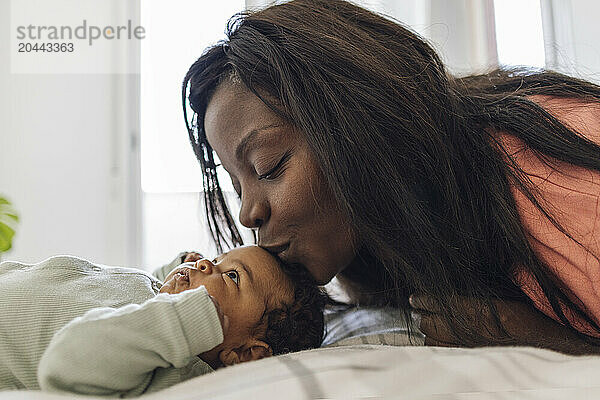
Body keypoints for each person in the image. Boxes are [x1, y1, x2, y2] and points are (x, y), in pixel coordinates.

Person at [181, 0, 600, 354]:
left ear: (357, 124)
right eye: (237, 186)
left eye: (268, 166)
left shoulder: (543, 165)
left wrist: (538, 337)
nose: (246, 213)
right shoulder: (378, 247)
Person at [0, 245, 326, 397]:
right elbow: (151, 287)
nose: (205, 265)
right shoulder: (161, 302)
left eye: (232, 276)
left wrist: (182, 321)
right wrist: (179, 266)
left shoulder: (172, 368)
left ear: (245, 354)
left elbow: (63, 365)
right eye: (216, 257)